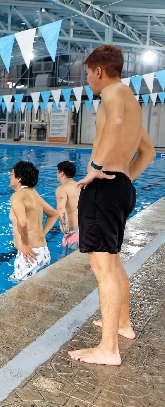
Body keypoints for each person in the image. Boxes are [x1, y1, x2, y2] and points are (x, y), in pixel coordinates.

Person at [68, 45, 155, 366]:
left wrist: (96, 166)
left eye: (89, 74)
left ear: (99, 71)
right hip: (120, 187)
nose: (89, 80)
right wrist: (124, 178)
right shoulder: (131, 98)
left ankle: (109, 349)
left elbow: (115, 122)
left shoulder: (113, 95)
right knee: (114, 263)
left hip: (104, 189)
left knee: (103, 269)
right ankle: (122, 324)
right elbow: (148, 152)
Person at [8, 161, 59, 281]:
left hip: (29, 254)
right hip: (43, 251)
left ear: (19, 178)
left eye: (12, 174)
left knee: (20, 294)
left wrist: (25, 244)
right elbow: (54, 214)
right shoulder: (34, 194)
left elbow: (22, 222)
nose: (10, 177)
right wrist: (42, 233)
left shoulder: (17, 196)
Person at [55, 161, 80, 250]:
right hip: (85, 230)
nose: (56, 175)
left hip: (73, 233)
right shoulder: (80, 186)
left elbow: (61, 209)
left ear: (61, 173)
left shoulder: (62, 189)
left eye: (57, 172)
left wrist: (66, 231)